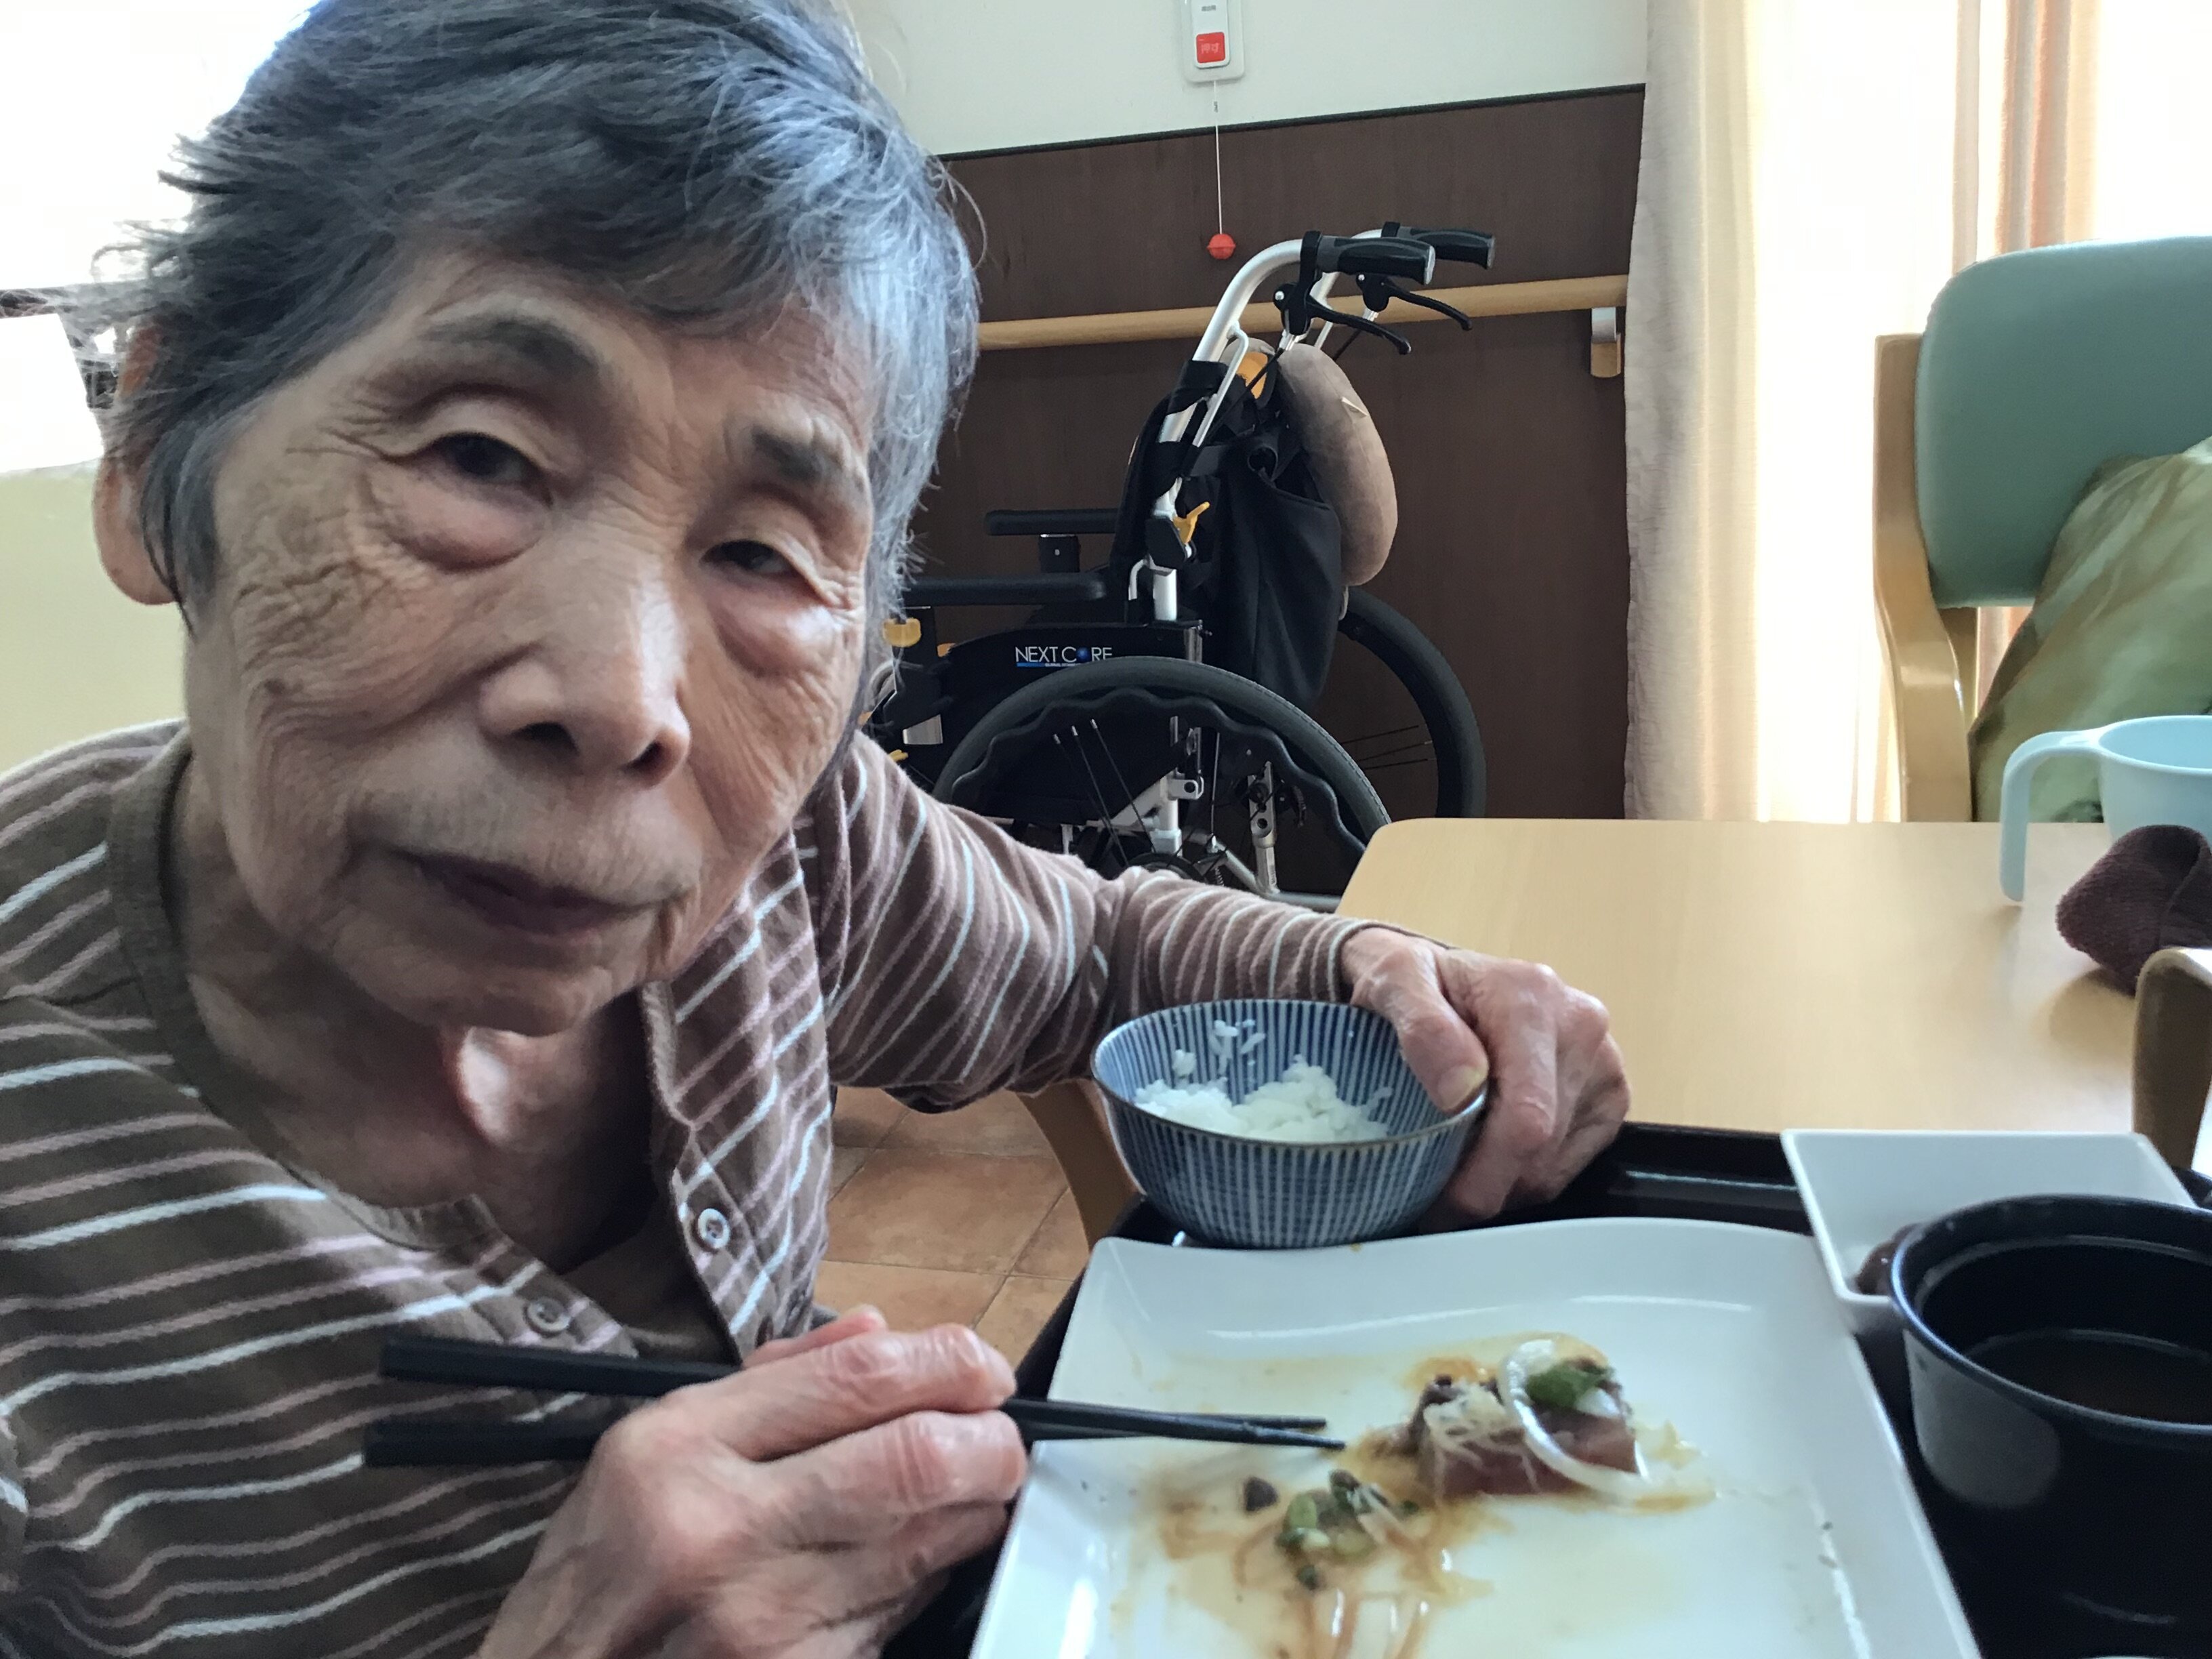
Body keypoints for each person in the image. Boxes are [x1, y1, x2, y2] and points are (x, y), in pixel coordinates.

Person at [0, 2, 1630, 1654]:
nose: (624, 698)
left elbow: (1096, 950)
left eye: (763, 556)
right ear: (153, 452)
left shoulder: (803, 849)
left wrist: (1387, 975)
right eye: (480, 457)